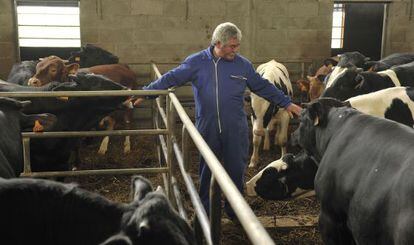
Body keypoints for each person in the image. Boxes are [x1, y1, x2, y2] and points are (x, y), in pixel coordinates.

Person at [135, 22, 302, 219]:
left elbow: (262, 86)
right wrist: (146, 93)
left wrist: (287, 103)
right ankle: (205, 212)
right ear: (217, 43)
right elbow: (171, 78)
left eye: (237, 45)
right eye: (232, 46)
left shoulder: (243, 65)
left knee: (236, 171)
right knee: (206, 171)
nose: (236, 50)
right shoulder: (197, 62)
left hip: (235, 128)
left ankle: (234, 211)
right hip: (208, 126)